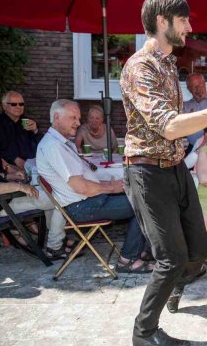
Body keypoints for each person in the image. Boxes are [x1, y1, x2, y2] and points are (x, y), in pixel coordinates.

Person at [119, 0, 207, 346]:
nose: (189, 27)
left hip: (174, 167)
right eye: (183, 20)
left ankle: (175, 285)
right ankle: (144, 332)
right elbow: (170, 126)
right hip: (147, 172)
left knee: (199, 250)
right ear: (162, 22)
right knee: (171, 257)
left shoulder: (169, 65)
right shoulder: (140, 68)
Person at [37, 99, 152, 268]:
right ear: (56, 117)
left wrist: (114, 184)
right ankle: (128, 260)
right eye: (73, 118)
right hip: (82, 206)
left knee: (143, 196)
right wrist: (112, 188)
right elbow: (81, 187)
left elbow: (83, 180)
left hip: (88, 200)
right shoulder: (53, 146)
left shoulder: (61, 143)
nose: (78, 123)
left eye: (78, 118)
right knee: (145, 206)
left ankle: (138, 249)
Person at [0, 107, 61, 256]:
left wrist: (7, 175)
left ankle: (56, 242)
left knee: (50, 195)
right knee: (58, 199)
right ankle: (56, 246)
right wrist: (18, 187)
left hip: (1, 198)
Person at [0, 91, 42, 170]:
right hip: (6, 168)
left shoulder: (28, 122)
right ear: (4, 106)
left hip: (32, 167)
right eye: (14, 104)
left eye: (21, 104)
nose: (18, 107)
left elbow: (42, 145)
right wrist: (14, 158)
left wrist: (36, 131)